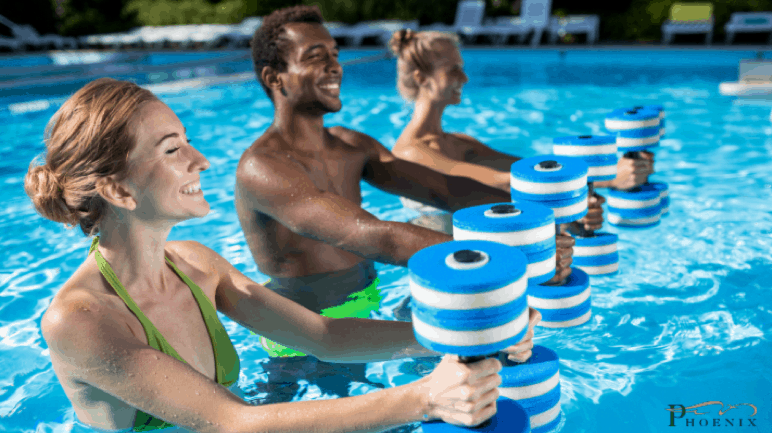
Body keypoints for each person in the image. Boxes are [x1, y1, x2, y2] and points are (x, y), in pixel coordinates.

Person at [25, 77, 539, 433]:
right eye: (170, 149)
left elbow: (323, 337)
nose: (200, 160)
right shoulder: (79, 320)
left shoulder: (196, 264)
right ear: (118, 191)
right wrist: (425, 396)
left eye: (187, 141)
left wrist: (470, 336)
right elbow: (233, 422)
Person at [237, 5, 557, 358]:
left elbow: (446, 190)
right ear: (274, 78)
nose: (334, 66)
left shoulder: (351, 145)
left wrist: (537, 225)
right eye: (315, 57)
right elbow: (373, 235)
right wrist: (493, 262)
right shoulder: (263, 168)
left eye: (335, 54)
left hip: (367, 303)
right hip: (303, 335)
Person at [387, 29, 654, 236]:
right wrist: (609, 181)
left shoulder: (460, 142)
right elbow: (501, 183)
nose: (465, 79)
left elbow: (531, 170)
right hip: (444, 284)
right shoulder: (410, 152)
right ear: (422, 78)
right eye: (453, 70)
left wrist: (604, 170)